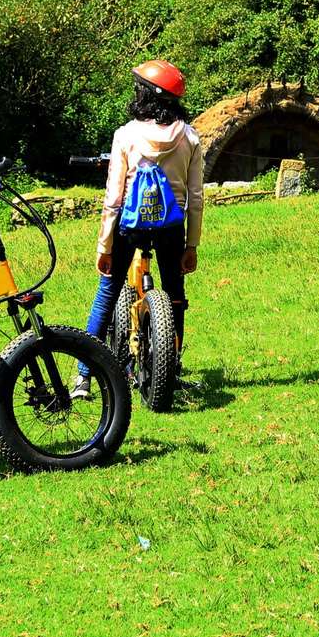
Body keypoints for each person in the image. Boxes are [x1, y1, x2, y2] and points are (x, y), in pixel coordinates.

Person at [80, 60, 205, 399]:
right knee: (175, 294)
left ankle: (83, 378)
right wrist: (191, 244)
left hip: (129, 227)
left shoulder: (126, 135)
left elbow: (113, 198)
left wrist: (104, 247)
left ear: (145, 95)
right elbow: (195, 196)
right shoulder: (190, 137)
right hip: (171, 227)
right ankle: (171, 369)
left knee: (108, 292)